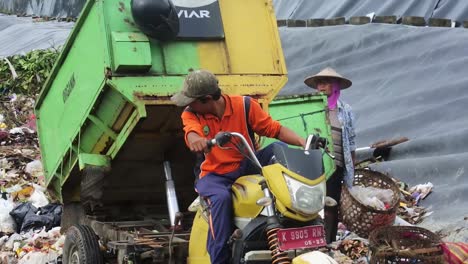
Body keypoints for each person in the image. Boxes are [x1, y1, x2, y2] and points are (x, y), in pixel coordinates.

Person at [171, 69, 306, 264]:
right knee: (221, 199)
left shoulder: (244, 105)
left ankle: (296, 224)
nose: (188, 105)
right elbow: (191, 134)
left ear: (207, 99)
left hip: (247, 164)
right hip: (214, 176)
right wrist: (199, 141)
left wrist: (302, 141)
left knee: (279, 149)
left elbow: (273, 129)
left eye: (191, 100)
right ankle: (219, 258)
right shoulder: (191, 113)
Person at [303, 67, 356, 244]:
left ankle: (329, 242)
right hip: (316, 164)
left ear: (335, 86)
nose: (321, 87)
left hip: (337, 165)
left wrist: (352, 169)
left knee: (331, 205)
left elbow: (351, 140)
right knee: (312, 205)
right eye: (319, 83)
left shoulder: (345, 110)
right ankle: (314, 242)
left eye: (325, 83)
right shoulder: (312, 108)